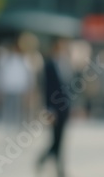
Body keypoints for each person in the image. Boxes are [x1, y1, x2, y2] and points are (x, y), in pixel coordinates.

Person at [36, 39, 71, 177]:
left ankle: (45, 160)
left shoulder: (66, 64)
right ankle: (58, 167)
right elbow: (47, 89)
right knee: (56, 138)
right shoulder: (49, 66)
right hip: (54, 108)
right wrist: (49, 109)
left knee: (60, 139)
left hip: (65, 107)